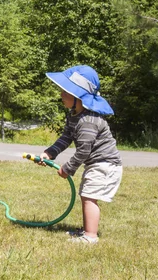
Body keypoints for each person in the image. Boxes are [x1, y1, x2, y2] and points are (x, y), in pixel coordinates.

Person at [40, 65, 122, 244]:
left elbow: (84, 150)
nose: (61, 94)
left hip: (105, 164)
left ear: (79, 97)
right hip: (96, 163)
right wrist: (49, 153)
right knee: (86, 194)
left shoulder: (88, 121)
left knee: (89, 196)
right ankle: (87, 230)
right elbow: (66, 137)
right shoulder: (75, 115)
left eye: (66, 91)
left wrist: (67, 169)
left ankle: (90, 236)